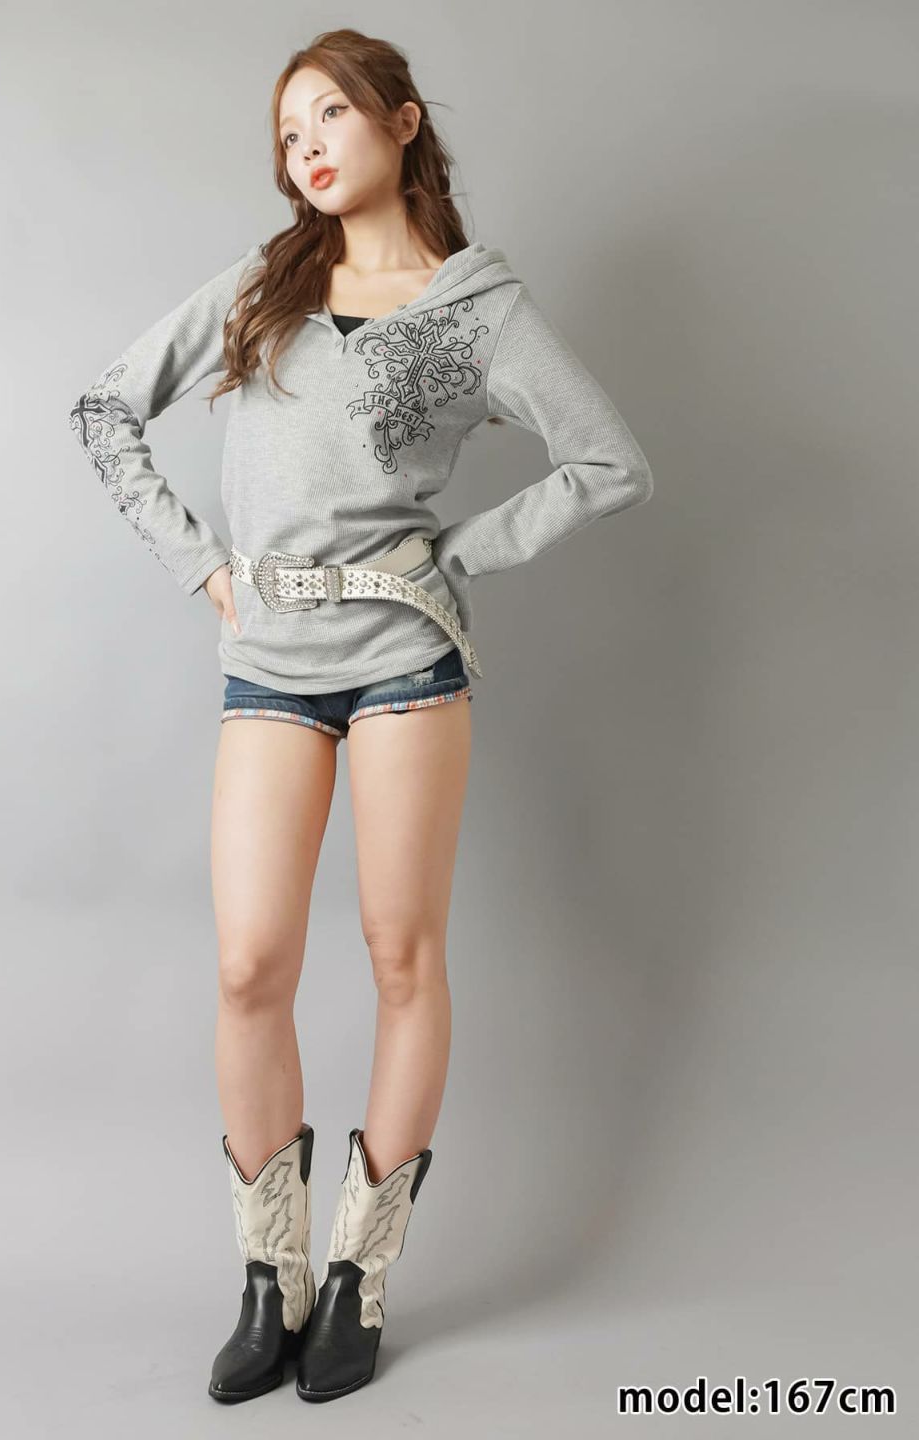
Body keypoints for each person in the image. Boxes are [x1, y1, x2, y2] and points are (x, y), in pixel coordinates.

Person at [67, 26, 653, 1406]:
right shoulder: (261, 287)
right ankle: (269, 1276)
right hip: (270, 660)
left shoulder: (475, 310)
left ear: (401, 120)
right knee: (249, 967)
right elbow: (105, 409)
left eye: (329, 114)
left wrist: (461, 555)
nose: (308, 147)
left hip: (405, 661)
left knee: (402, 956)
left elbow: (608, 460)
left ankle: (359, 1277)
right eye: (288, 134)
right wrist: (202, 565)